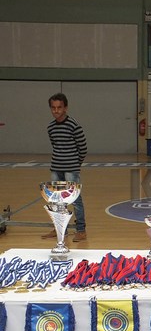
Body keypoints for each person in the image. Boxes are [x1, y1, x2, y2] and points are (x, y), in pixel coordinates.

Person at [41, 93, 88, 242]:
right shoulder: (50, 127)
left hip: (71, 169)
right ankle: (61, 229)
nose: (56, 111)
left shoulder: (74, 125)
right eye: (53, 108)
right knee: (57, 201)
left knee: (75, 200)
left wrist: (74, 164)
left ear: (65, 108)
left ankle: (81, 230)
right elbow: (55, 145)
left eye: (59, 107)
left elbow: (83, 148)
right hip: (56, 168)